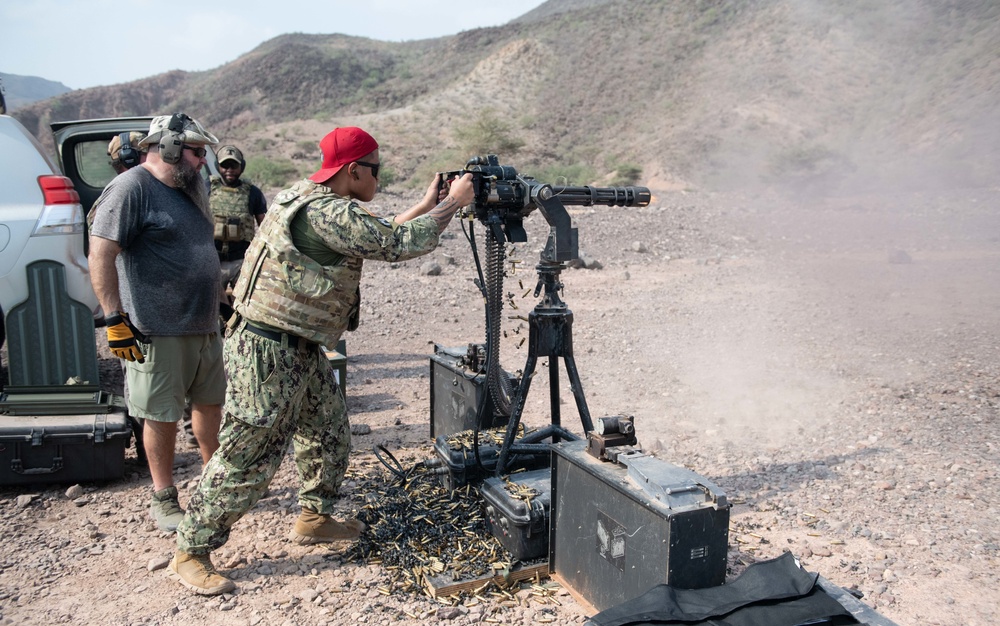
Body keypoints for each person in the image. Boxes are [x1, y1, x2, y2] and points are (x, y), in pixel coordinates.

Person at [167, 126, 475, 595]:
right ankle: (191, 549)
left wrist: (432, 202)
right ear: (354, 171)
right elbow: (399, 244)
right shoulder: (331, 212)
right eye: (375, 170)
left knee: (328, 430)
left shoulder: (304, 195)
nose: (378, 178)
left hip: (296, 345)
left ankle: (314, 517)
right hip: (268, 350)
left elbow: (383, 233)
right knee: (248, 453)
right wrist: (454, 203)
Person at [88, 113, 227, 533]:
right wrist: (114, 318)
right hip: (158, 328)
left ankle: (213, 482)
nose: (204, 161)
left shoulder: (190, 188)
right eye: (197, 152)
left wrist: (221, 303)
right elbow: (101, 253)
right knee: (161, 415)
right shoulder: (131, 188)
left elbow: (201, 251)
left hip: (204, 324)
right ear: (167, 147)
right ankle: (164, 497)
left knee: (210, 405)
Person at [209, 145, 267, 320]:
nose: (229, 171)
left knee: (242, 308)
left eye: (234, 166)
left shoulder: (253, 193)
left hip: (241, 261)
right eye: (225, 166)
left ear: (242, 166)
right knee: (213, 310)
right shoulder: (207, 188)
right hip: (213, 260)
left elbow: (264, 226)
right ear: (218, 166)